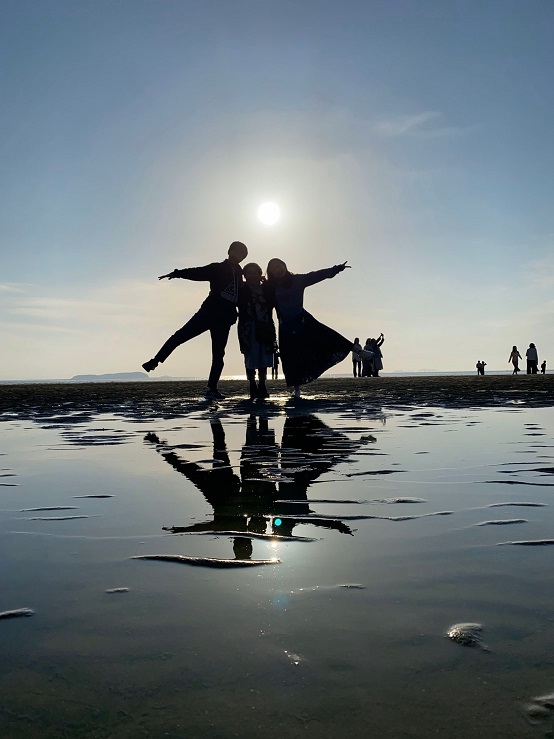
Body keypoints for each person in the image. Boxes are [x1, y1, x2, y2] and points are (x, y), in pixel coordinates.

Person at [142, 241, 248, 399]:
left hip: (224, 320)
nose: (237, 255)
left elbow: (243, 295)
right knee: (180, 336)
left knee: (218, 355)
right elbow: (197, 272)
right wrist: (177, 273)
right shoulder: (217, 268)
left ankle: (212, 389)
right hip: (208, 313)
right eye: (235, 251)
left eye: (241, 254)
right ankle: (155, 361)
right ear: (229, 251)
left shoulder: (240, 276)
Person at [266, 258, 370, 397]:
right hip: (285, 327)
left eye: (280, 266)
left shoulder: (297, 280)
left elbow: (317, 275)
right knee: (291, 358)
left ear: (285, 266)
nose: (278, 269)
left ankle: (359, 351)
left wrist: (336, 269)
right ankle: (297, 389)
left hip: (302, 320)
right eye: (274, 268)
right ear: (271, 272)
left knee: (328, 336)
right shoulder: (269, 287)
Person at [237, 262, 276, 399]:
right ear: (245, 275)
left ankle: (263, 384)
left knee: (264, 356)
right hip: (247, 328)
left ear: (260, 274)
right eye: (249, 272)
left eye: (255, 272)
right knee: (250, 356)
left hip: (265, 326)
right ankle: (252, 384)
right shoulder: (241, 290)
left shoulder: (267, 289)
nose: (252, 275)